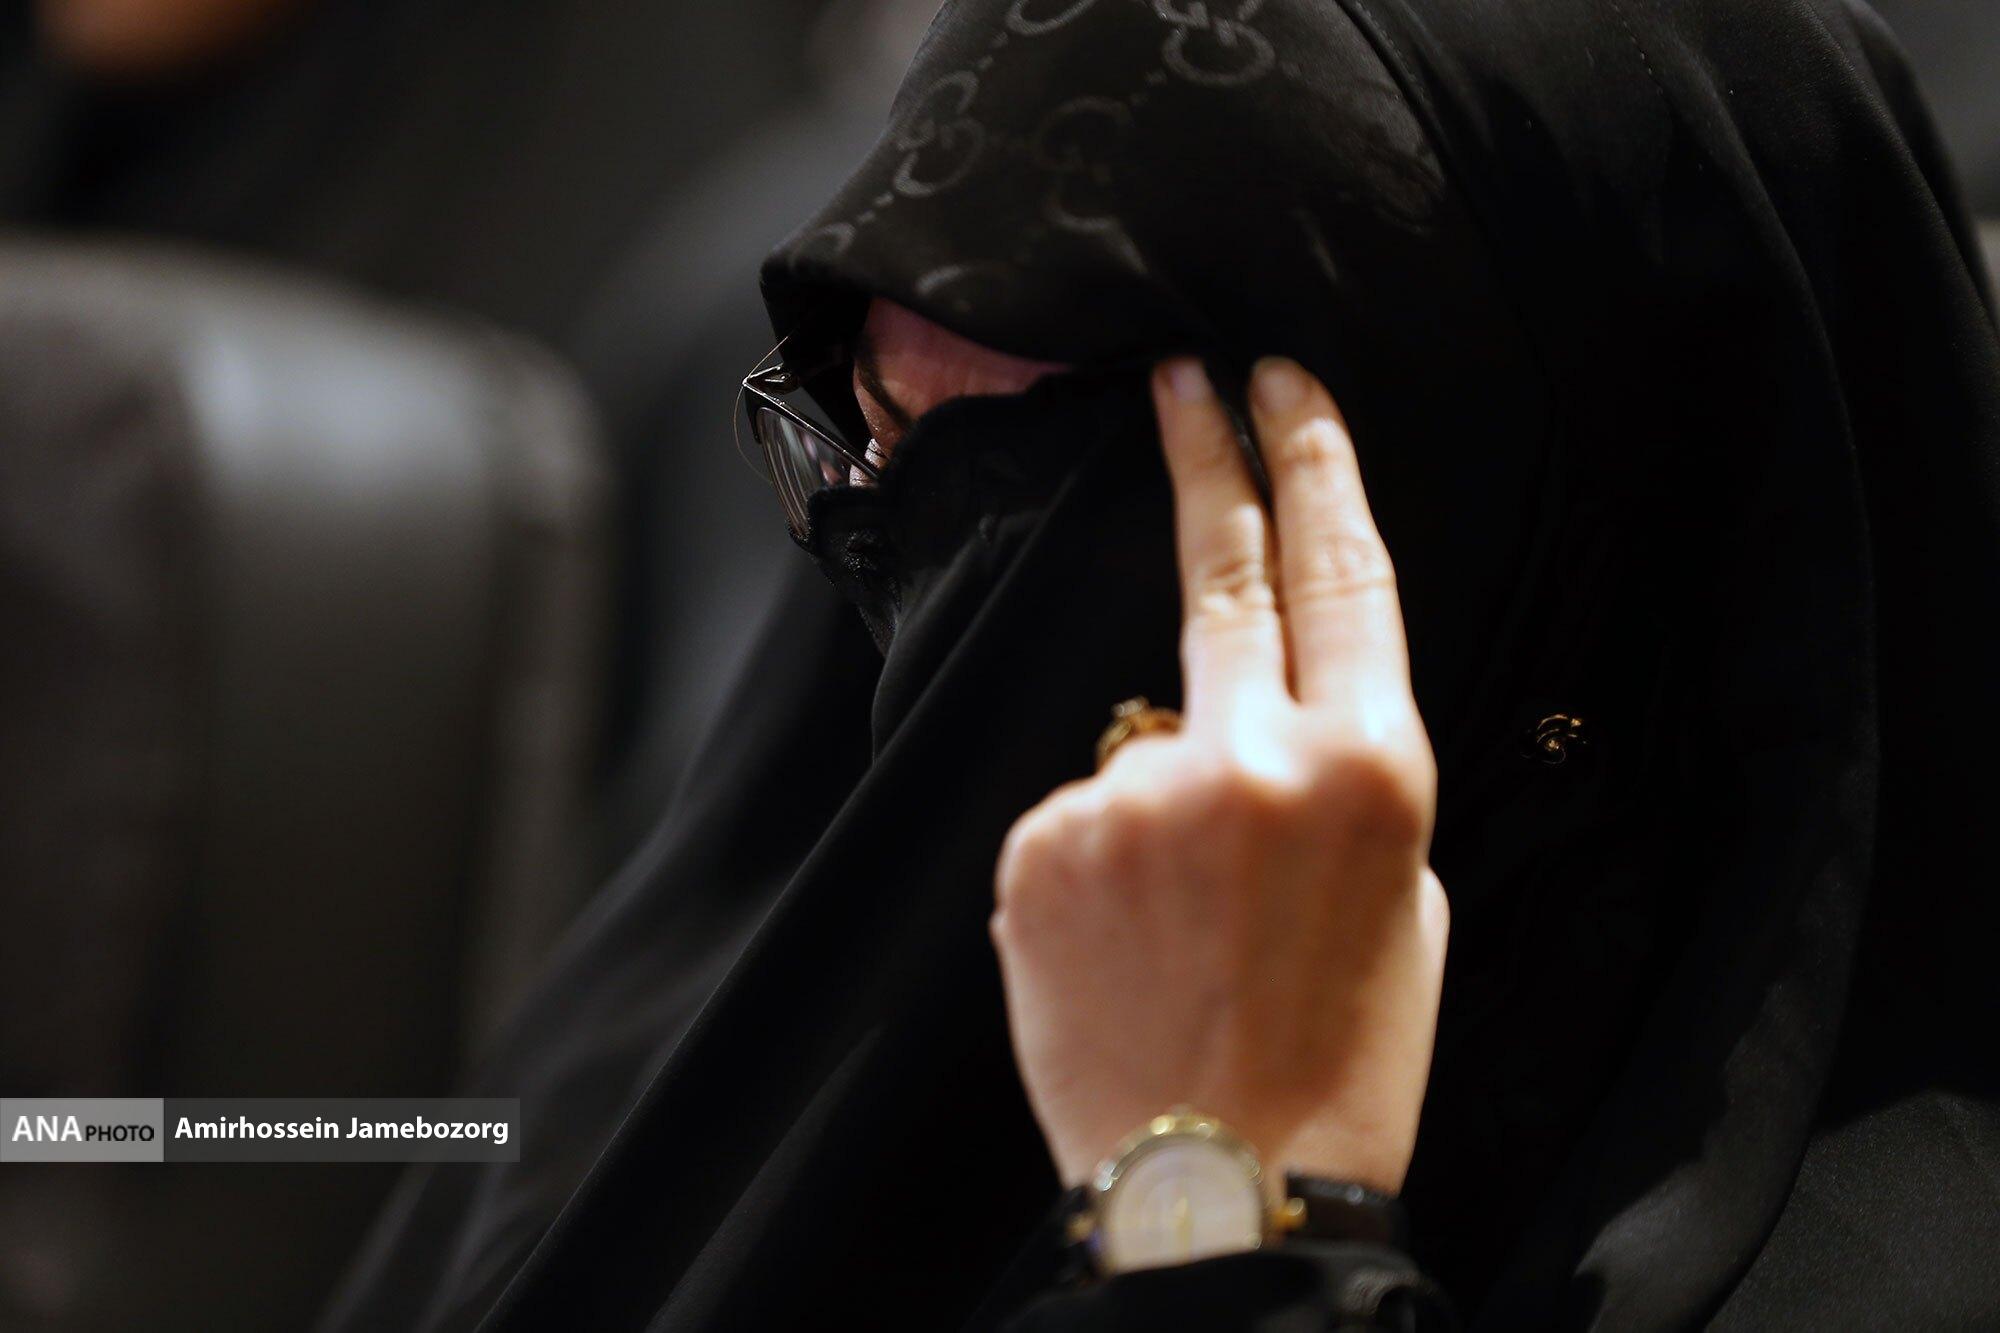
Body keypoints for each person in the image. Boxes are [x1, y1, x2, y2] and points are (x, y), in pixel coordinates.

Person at [325, 0, 2000, 1327]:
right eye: (879, 438)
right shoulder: (715, 960)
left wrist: (1224, 1206)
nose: (947, 634)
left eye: (1066, 523)